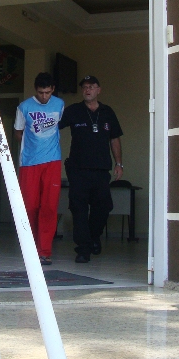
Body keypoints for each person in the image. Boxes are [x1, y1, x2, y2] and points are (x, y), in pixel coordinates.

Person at [59, 75, 123, 263]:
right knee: (78, 209)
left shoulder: (107, 112)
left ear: (98, 90)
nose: (88, 90)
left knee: (104, 206)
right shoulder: (73, 111)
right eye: (85, 87)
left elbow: (115, 139)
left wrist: (119, 163)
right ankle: (83, 249)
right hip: (78, 169)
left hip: (101, 170)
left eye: (91, 86)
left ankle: (93, 237)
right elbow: (53, 127)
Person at [14, 72, 64, 265]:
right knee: (30, 206)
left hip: (53, 161)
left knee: (49, 206)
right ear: (36, 90)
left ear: (53, 90)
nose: (44, 96)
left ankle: (44, 251)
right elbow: (18, 132)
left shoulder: (60, 105)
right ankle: (30, 249)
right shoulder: (24, 107)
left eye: (48, 92)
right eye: (41, 93)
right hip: (29, 163)